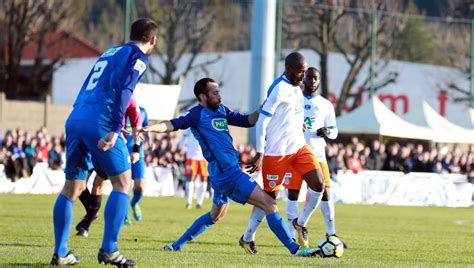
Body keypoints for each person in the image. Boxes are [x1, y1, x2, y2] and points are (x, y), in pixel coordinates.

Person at [140, 77, 320, 257]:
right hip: (229, 174)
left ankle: (176, 245)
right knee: (269, 203)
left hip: (222, 173)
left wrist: (264, 107)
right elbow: (173, 124)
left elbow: (248, 120)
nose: (219, 95)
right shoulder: (196, 114)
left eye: (219, 91)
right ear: (202, 96)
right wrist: (149, 128)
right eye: (215, 92)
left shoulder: (221, 110)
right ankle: (295, 249)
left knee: (215, 216)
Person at [50, 18, 157, 267]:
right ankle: (109, 250)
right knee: (123, 183)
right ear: (152, 40)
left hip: (76, 116)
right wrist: (114, 128)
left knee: (72, 188)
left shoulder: (111, 52)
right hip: (100, 120)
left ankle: (61, 252)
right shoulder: (139, 57)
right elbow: (123, 90)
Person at [240, 53, 325, 254]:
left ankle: (300, 223)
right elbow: (262, 121)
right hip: (276, 153)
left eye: (305, 71)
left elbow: (292, 111)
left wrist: (300, 122)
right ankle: (247, 238)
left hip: (298, 148)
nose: (304, 76)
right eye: (301, 71)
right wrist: (260, 152)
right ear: (288, 69)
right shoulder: (278, 89)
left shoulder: (297, 87)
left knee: (319, 183)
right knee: (269, 199)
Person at [282, 67, 346, 248]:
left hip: (318, 155)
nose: (313, 81)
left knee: (326, 192)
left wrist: (327, 131)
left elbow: (334, 131)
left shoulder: (326, 104)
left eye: (316, 78)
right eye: (310, 77)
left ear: (319, 81)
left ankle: (330, 232)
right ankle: (290, 234)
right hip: (296, 153)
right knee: (293, 193)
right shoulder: (294, 99)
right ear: (304, 79)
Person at [75, 95, 148, 238]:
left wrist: (135, 150)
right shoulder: (101, 97)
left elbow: (137, 127)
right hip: (89, 142)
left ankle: (86, 225)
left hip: (110, 148)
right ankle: (92, 213)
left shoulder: (133, 103)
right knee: (79, 185)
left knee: (98, 186)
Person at [179, 127, 209, 209]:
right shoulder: (191, 119)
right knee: (190, 178)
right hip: (192, 155)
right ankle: (189, 202)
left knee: (204, 178)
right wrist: (181, 147)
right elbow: (184, 134)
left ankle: (199, 202)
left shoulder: (207, 120)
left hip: (204, 156)